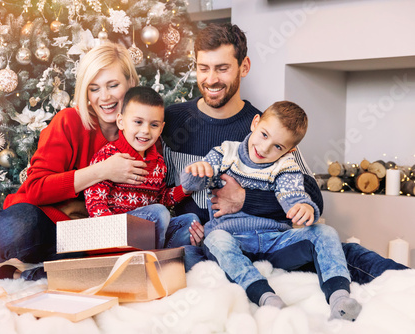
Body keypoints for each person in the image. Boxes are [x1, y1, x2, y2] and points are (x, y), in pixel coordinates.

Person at [161, 23, 409, 284]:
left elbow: (311, 197)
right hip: (208, 246)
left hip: (268, 242)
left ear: (244, 67)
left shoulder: (267, 130)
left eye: (222, 69)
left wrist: (246, 199)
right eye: (204, 68)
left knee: (346, 252)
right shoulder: (171, 122)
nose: (211, 79)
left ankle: (404, 284)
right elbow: (153, 191)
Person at [0, 42, 202, 281]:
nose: (105, 97)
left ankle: (22, 274)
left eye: (113, 85)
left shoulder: (143, 134)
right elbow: (36, 189)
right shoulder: (69, 121)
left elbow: (149, 199)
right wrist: (102, 171)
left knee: (79, 272)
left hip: (92, 238)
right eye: (94, 88)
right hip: (42, 220)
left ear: (130, 83)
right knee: (18, 226)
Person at [180, 101, 362, 321]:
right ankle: (265, 296)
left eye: (278, 146)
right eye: (264, 135)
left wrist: (302, 208)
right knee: (216, 239)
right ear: (255, 123)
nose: (265, 148)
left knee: (325, 232)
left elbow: (292, 196)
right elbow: (192, 183)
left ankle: (339, 299)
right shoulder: (226, 152)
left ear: (290, 150)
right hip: (231, 237)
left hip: (274, 241)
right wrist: (197, 172)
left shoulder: (285, 166)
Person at [84, 86, 199, 248]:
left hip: (146, 230)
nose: (145, 131)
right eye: (138, 122)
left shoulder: (158, 163)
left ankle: (164, 258)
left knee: (190, 221)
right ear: (121, 122)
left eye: (153, 125)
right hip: (111, 232)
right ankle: (152, 260)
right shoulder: (109, 156)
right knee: (158, 213)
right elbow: (94, 202)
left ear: (161, 129)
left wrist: (184, 190)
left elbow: (160, 199)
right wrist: (112, 233)